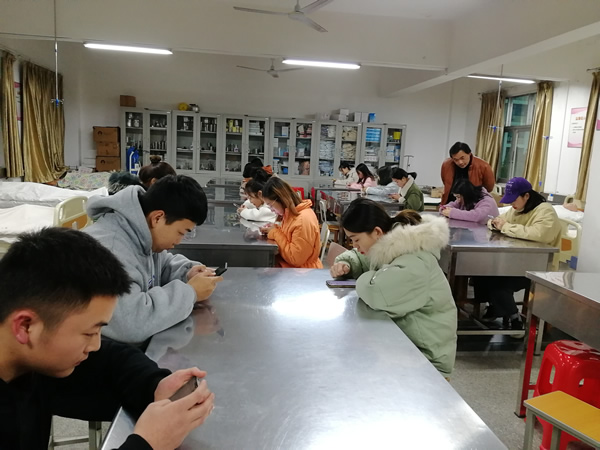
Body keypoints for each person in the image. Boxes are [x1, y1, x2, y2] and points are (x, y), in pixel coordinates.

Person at [0, 228, 214, 449]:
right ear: (25, 326)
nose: (95, 345)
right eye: (89, 333)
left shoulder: (33, 361)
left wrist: (155, 385)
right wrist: (147, 444)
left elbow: (112, 360)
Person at [85, 175, 223, 345]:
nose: (179, 241)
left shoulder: (142, 231)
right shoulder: (110, 250)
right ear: (157, 218)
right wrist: (190, 293)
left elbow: (162, 266)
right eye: (180, 232)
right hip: (96, 351)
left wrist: (187, 273)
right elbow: (131, 323)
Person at [329, 199, 457, 376]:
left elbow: (376, 292)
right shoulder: (392, 244)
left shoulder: (415, 260)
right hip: (403, 342)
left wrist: (365, 278)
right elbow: (363, 257)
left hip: (426, 358)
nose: (355, 246)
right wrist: (347, 264)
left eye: (356, 239)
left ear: (377, 232)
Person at [474, 177, 562, 329]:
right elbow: (497, 220)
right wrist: (494, 223)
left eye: (514, 200)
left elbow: (539, 234)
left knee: (499, 285)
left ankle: (515, 319)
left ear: (526, 196)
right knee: (481, 273)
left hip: (537, 268)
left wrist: (505, 227)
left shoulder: (545, 211)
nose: (511, 204)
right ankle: (494, 306)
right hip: (515, 262)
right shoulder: (516, 209)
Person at [259, 177, 323, 268]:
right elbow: (288, 238)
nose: (271, 210)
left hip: (302, 272)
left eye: (271, 205)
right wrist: (274, 229)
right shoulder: (290, 214)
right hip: (292, 268)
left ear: (281, 199)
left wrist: (275, 232)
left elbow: (295, 259)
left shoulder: (302, 220)